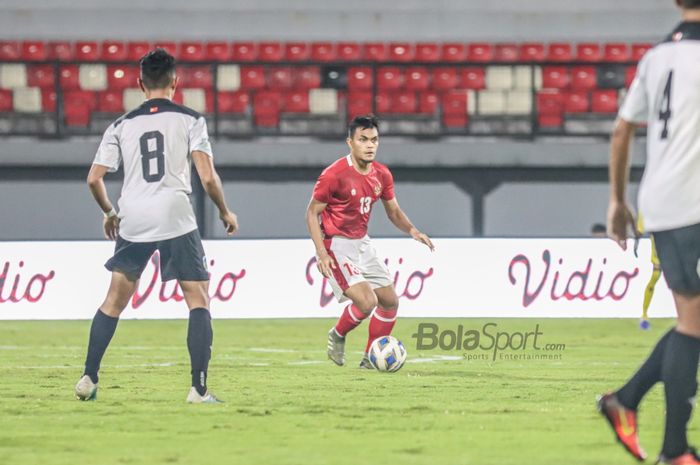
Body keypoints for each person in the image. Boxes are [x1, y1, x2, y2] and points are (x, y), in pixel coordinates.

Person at [74, 49, 238, 404]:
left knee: (114, 300)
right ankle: (198, 389)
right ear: (175, 83)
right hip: (175, 214)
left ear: (139, 84)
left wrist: (109, 212)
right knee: (198, 299)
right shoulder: (191, 119)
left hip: (133, 216)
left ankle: (88, 376)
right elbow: (207, 177)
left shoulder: (120, 125)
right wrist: (225, 211)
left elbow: (93, 179)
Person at [599, 1, 700, 463]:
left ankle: (627, 401)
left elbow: (622, 131)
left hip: (662, 200)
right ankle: (675, 450)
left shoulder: (657, 57)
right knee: (692, 323)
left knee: (693, 321)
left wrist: (618, 201)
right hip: (690, 202)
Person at [305, 114, 434, 369]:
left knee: (390, 302)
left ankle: (368, 359)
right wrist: (321, 253)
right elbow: (312, 212)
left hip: (362, 242)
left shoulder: (382, 175)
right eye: (363, 139)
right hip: (336, 244)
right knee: (366, 301)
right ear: (350, 143)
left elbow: (393, 212)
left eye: (374, 140)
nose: (370, 145)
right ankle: (338, 334)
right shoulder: (334, 175)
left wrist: (412, 231)